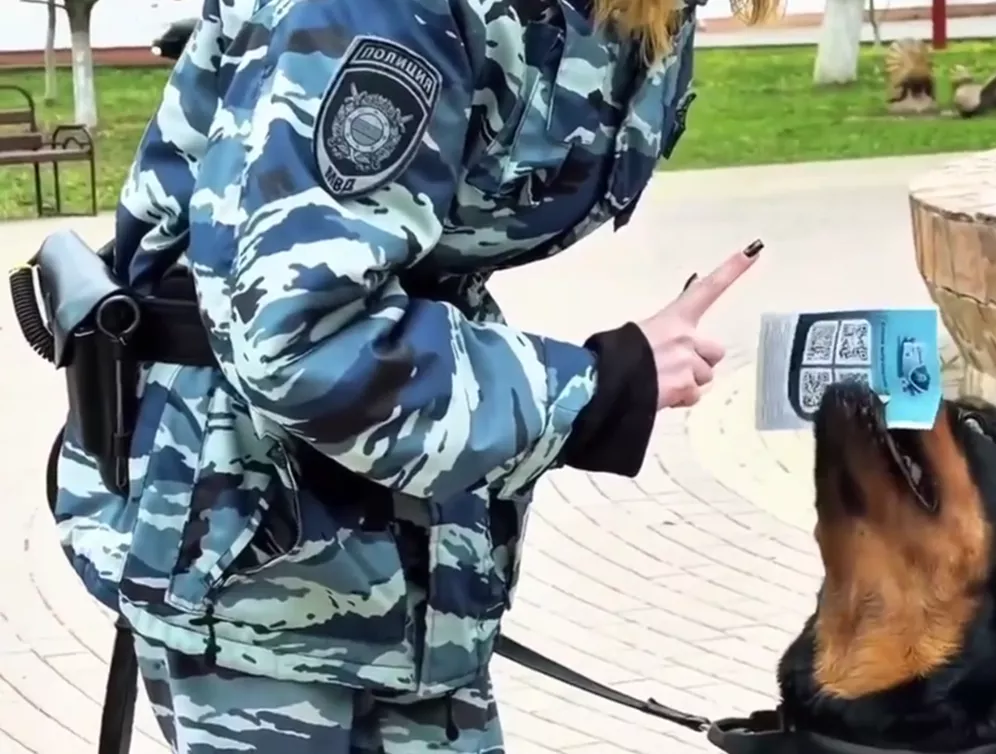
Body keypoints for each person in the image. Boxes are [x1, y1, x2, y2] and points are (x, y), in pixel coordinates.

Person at [52, 0, 774, 750]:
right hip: (254, 553)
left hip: (403, 561)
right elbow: (296, 335)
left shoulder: (636, 15)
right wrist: (596, 390)